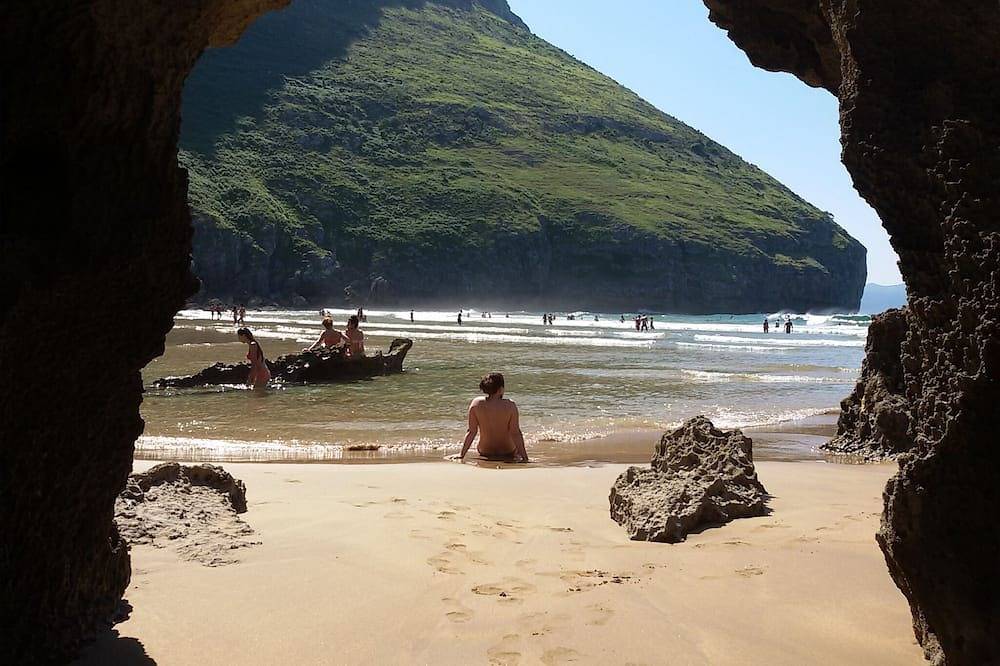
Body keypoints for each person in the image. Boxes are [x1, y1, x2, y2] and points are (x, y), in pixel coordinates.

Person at [455, 373, 528, 463]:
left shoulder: (476, 403)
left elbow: (471, 432)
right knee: (515, 443)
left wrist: (461, 454)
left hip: (485, 451)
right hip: (507, 451)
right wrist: (525, 457)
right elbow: (515, 433)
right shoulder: (510, 405)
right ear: (501, 389)